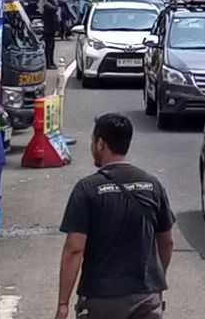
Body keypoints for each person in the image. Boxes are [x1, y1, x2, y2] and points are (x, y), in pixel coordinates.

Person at [57, 114, 175, 319]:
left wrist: (63, 303)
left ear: (101, 143)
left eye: (93, 141)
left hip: (101, 298)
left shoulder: (87, 189)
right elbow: (167, 243)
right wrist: (154, 282)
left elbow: (74, 249)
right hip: (146, 296)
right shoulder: (153, 186)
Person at [41, 0, 60, 68]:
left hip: (51, 29)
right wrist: (54, 0)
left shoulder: (49, 4)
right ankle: (48, 63)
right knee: (49, 47)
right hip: (48, 29)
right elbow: (55, 8)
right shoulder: (47, 5)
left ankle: (51, 62)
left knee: (52, 47)